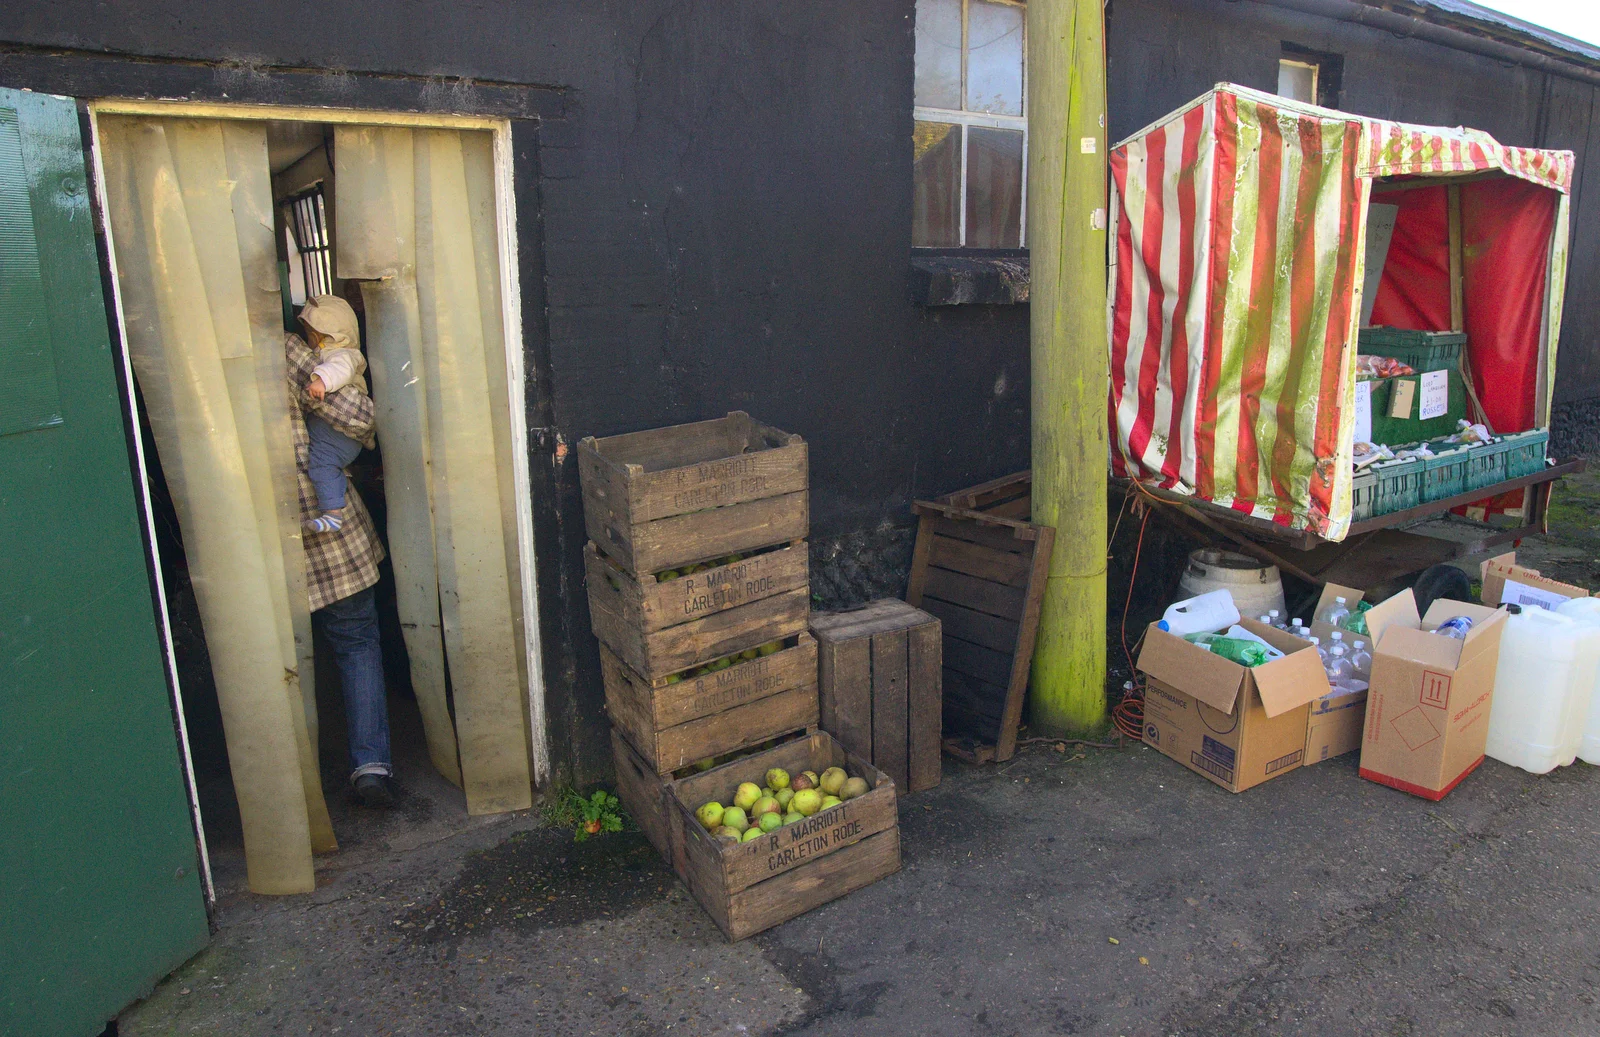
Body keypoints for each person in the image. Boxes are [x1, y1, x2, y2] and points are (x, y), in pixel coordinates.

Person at [286, 297, 394, 807]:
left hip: (265, 535)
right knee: (354, 640)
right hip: (327, 538)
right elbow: (361, 414)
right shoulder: (289, 356)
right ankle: (369, 766)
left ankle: (284, 794)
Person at [298, 296, 373, 535]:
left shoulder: (342, 354)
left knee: (322, 465)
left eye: (310, 333)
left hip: (340, 434)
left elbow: (340, 370)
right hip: (332, 431)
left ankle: (332, 514)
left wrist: (322, 381)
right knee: (325, 464)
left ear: (322, 335)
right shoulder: (332, 352)